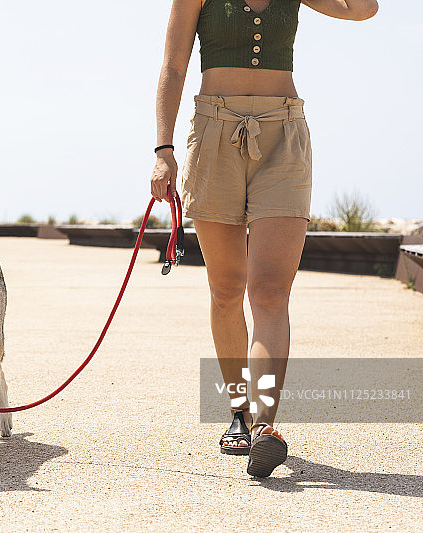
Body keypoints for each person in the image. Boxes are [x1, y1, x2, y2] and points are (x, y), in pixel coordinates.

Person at [150, 0, 379, 477]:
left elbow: (364, 9)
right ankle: (239, 408)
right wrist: (163, 150)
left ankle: (264, 428)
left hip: (283, 133)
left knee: (271, 292)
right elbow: (174, 65)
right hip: (212, 133)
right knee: (226, 290)